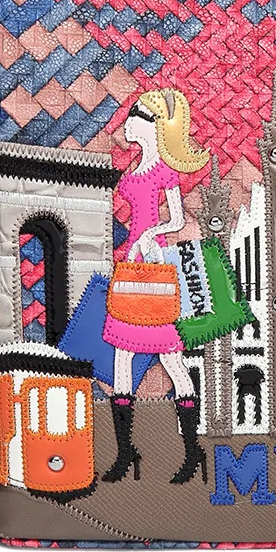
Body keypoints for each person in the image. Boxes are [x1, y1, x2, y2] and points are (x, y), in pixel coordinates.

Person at [102, 88, 210, 485]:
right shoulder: (133, 170)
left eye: (133, 117)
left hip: (155, 268)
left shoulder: (164, 171)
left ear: (152, 126)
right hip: (131, 268)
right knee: (122, 358)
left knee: (172, 360)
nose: (126, 124)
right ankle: (125, 452)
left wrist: (150, 236)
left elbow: (177, 219)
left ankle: (192, 452)